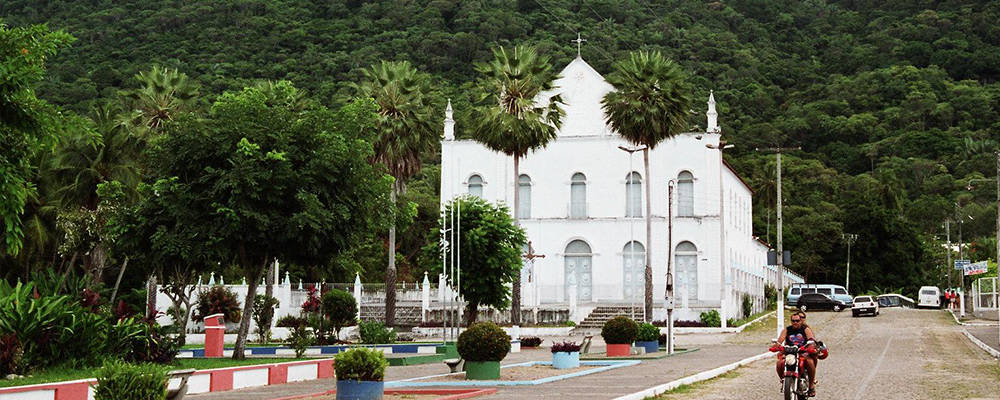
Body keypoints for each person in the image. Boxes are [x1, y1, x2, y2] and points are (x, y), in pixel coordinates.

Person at [776, 312, 818, 397]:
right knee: (779, 363)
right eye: (793, 321)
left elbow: (811, 339)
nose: (795, 322)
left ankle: (811, 385)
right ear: (791, 321)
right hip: (790, 352)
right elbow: (780, 339)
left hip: (802, 351)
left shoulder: (806, 329)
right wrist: (777, 345)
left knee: (809, 361)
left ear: (801, 321)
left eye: (797, 321)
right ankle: (783, 380)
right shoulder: (787, 329)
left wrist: (810, 346)